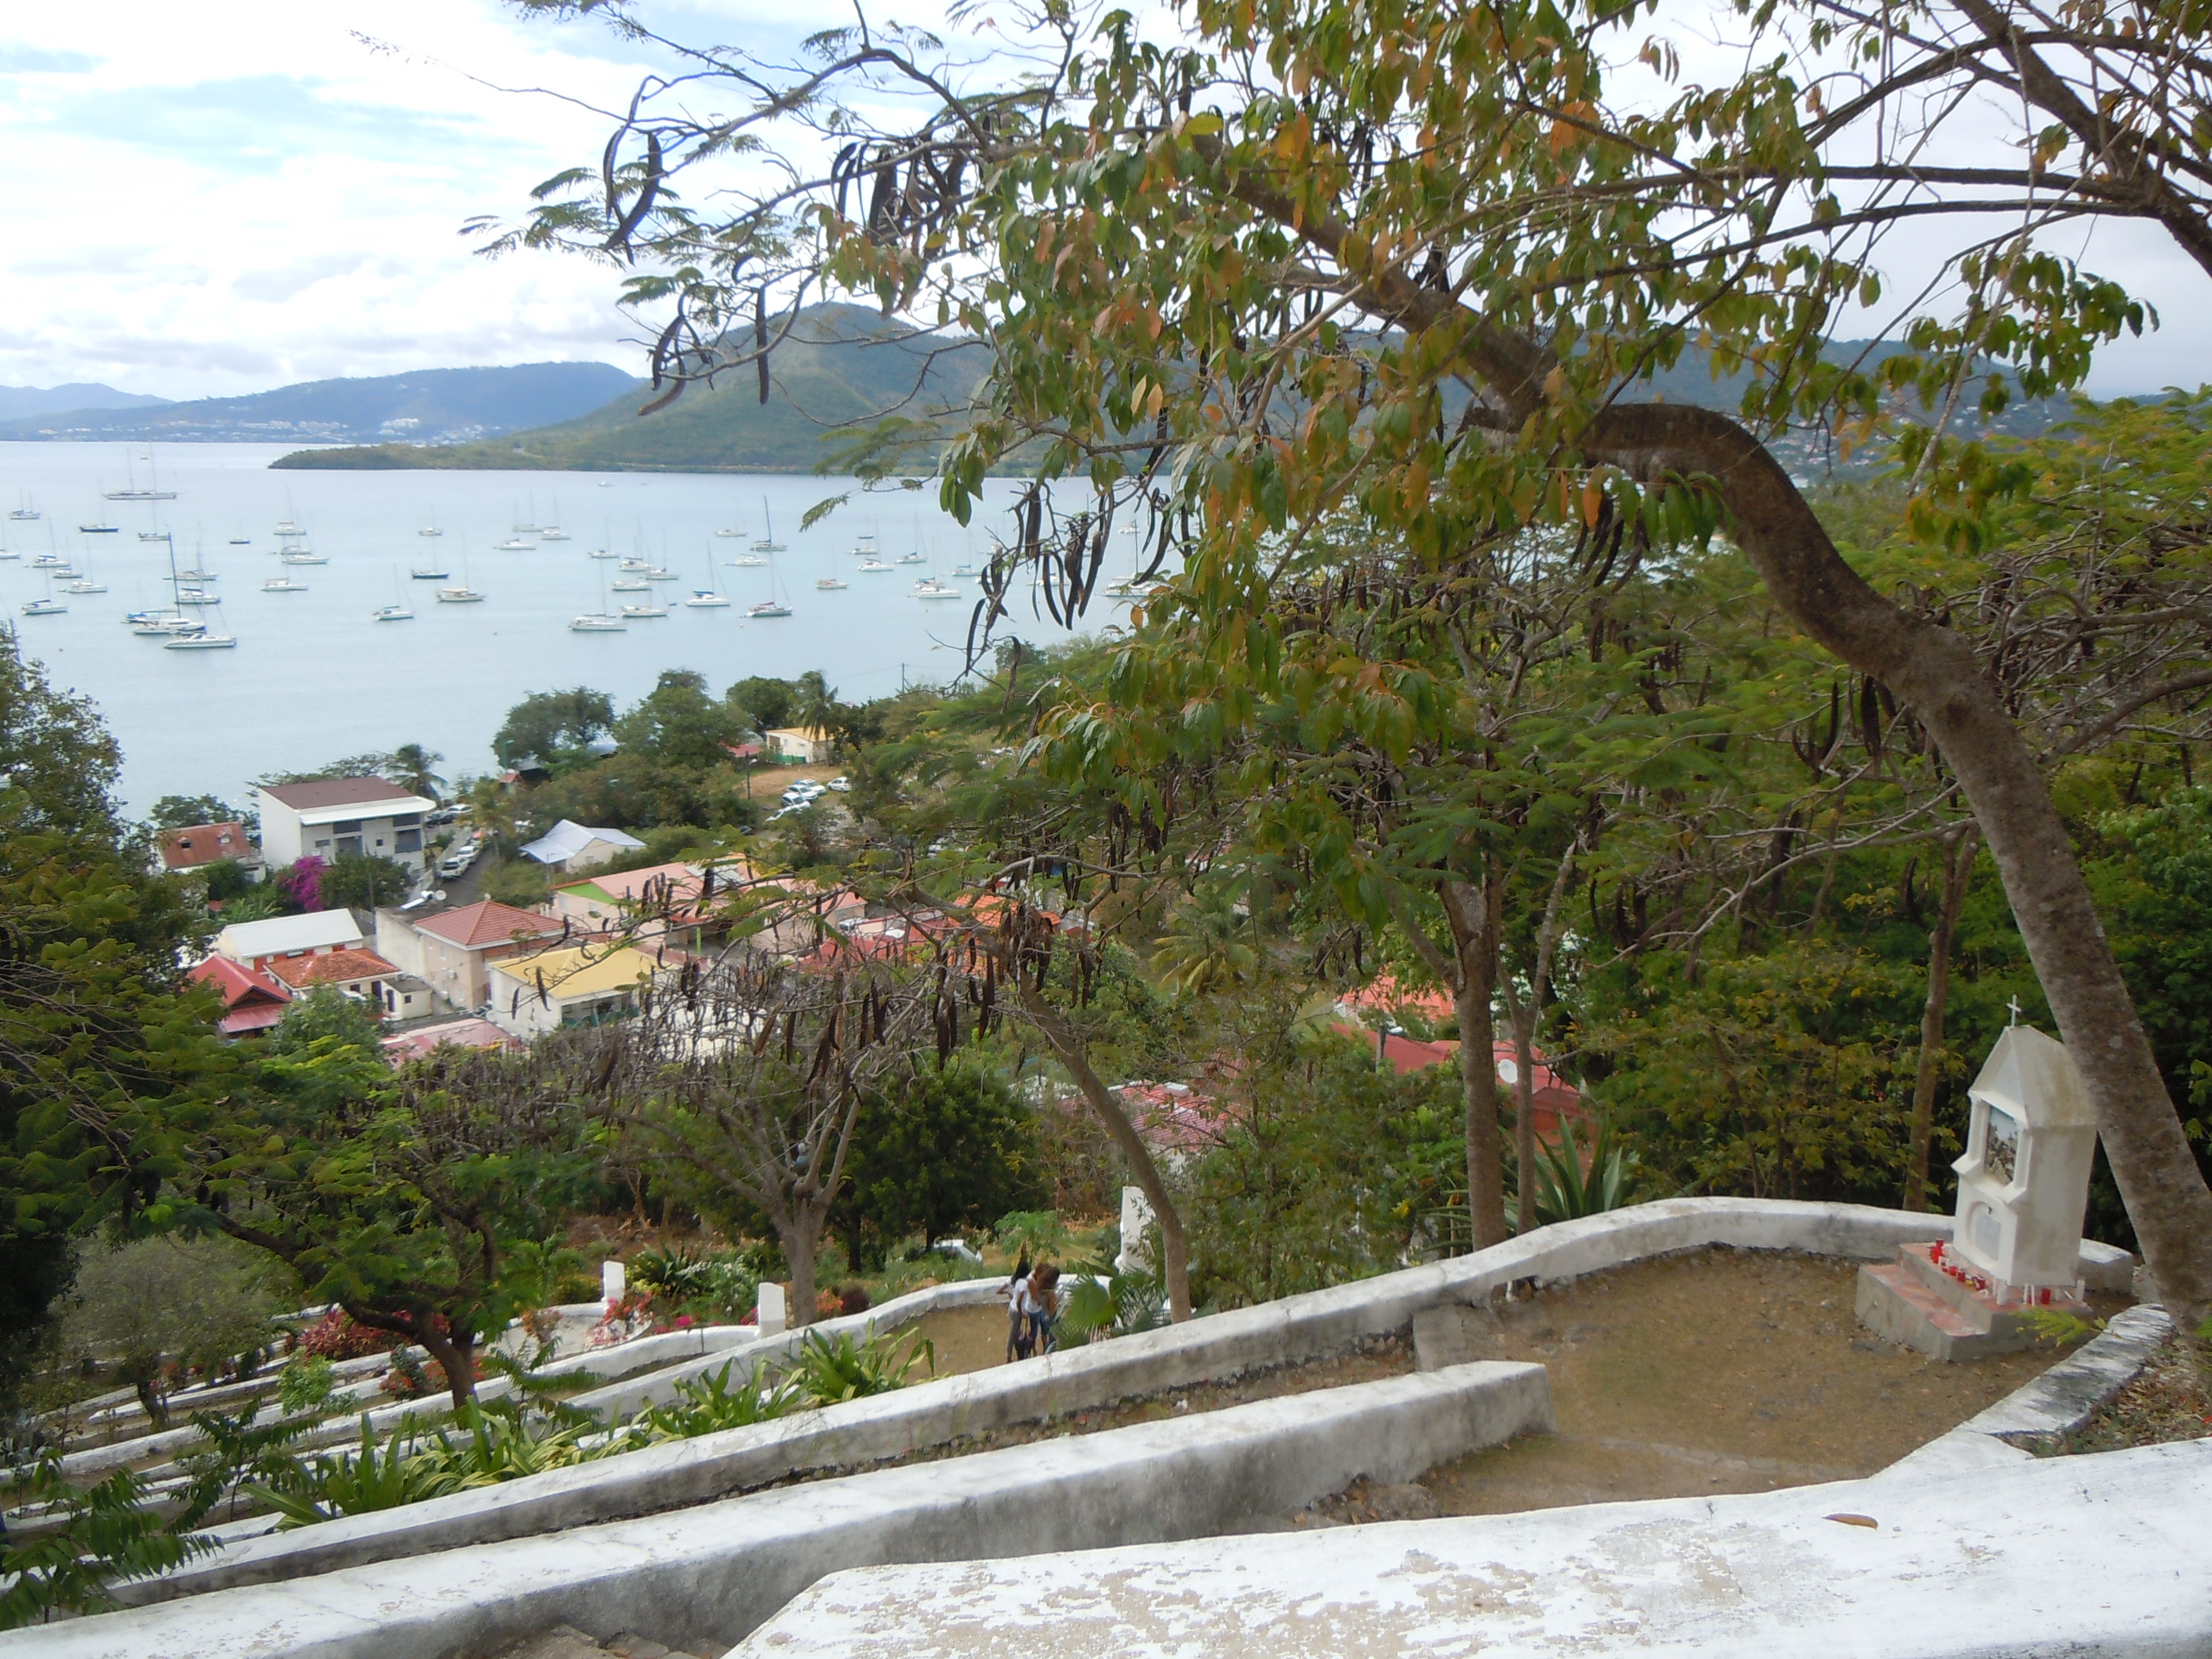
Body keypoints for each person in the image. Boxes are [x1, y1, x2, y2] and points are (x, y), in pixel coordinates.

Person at [1022, 1263, 1061, 1357]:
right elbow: (1051, 1310)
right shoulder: (1033, 1282)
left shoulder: (1042, 1285)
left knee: (1044, 1333)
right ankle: (1040, 1351)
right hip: (1036, 1310)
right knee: (1041, 1335)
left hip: (1042, 1311)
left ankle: (1043, 1349)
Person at [1001, 1248, 1032, 1363]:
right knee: (1012, 1335)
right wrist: (1022, 1314)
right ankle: (1009, 1357)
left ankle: (1016, 1351)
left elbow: (1001, 1291)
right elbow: (1019, 1301)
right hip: (1016, 1311)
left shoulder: (1015, 1279)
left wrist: (1009, 1294)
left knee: (1017, 1332)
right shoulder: (1024, 1283)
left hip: (1011, 1308)